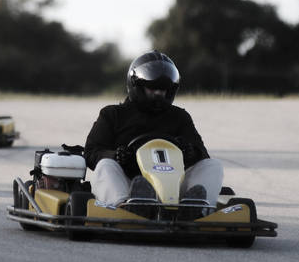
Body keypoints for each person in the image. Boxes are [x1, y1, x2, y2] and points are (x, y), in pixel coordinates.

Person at [84, 50, 223, 214]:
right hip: (128, 183)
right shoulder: (113, 114)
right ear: (136, 86)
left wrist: (190, 152)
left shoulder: (180, 117)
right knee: (105, 165)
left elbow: (203, 156)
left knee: (213, 165)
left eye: (163, 90)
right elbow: (91, 153)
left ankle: (195, 208)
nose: (158, 94)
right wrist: (115, 156)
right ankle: (127, 207)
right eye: (152, 89)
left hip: (174, 189)